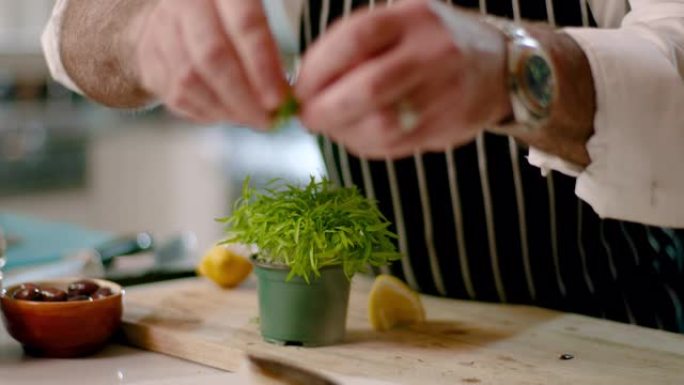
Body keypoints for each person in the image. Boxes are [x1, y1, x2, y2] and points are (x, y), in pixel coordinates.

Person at [43, 0, 684, 332]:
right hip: (384, 345)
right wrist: (143, 31)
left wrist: (511, 68)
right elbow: (70, 33)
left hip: (617, 333)